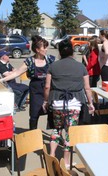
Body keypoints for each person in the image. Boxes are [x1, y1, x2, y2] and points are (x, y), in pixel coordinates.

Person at [43, 39, 95, 168]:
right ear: (72, 51)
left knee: (57, 129)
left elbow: (47, 87)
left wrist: (45, 101)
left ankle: (52, 156)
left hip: (57, 103)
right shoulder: (81, 67)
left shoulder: (53, 66)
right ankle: (66, 162)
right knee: (69, 132)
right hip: (74, 104)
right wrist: (90, 103)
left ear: (60, 52)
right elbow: (87, 88)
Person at [0, 35, 55, 130]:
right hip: (35, 91)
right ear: (37, 49)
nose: (46, 49)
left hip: (49, 90)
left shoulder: (50, 60)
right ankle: (33, 135)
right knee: (34, 115)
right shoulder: (29, 61)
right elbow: (17, 72)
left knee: (52, 114)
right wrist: (2, 80)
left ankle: (54, 137)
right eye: (44, 47)